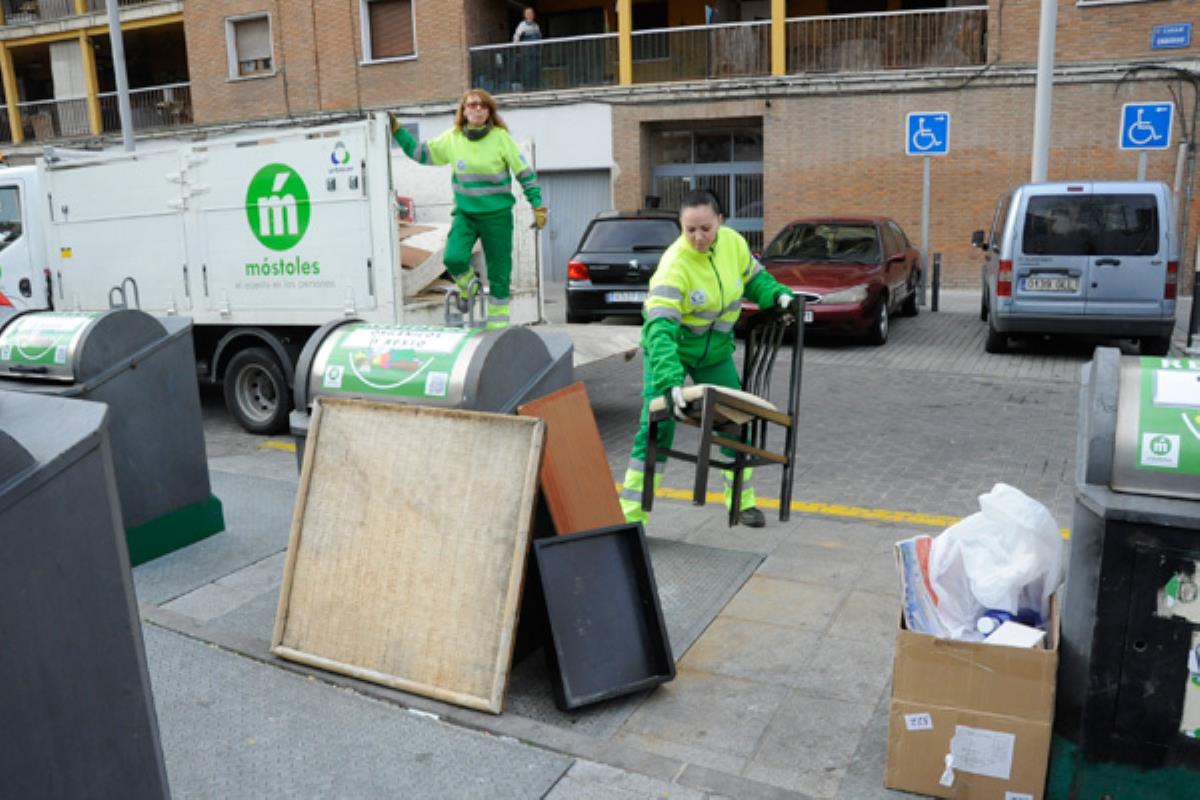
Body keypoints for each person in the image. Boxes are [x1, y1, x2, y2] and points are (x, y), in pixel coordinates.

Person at [619, 190, 797, 528]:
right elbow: (659, 330)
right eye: (690, 230)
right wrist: (669, 381)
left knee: (735, 419)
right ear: (681, 227)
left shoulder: (733, 244)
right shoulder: (674, 266)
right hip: (671, 350)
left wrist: (778, 296)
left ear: (720, 221)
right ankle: (631, 517)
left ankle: (741, 502)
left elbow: (756, 280)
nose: (698, 237)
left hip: (714, 352)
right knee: (657, 425)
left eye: (705, 228)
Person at [388, 90, 547, 329]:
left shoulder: (501, 138)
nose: (478, 108)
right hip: (466, 215)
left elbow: (524, 173)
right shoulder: (452, 138)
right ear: (463, 111)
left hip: (497, 217)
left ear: (489, 112)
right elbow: (419, 153)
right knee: (453, 258)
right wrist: (398, 131)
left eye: (483, 105)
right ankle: (470, 287)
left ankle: (497, 328)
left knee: (499, 274)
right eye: (472, 105)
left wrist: (537, 204)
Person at [512, 7, 543, 90]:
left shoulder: (536, 26)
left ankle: (536, 87)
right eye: (527, 14)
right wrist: (517, 48)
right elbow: (516, 37)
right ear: (525, 15)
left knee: (535, 71)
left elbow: (540, 39)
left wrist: (540, 48)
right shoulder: (522, 26)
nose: (529, 15)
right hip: (526, 54)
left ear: (534, 15)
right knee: (527, 72)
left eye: (531, 13)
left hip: (535, 53)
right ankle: (527, 88)